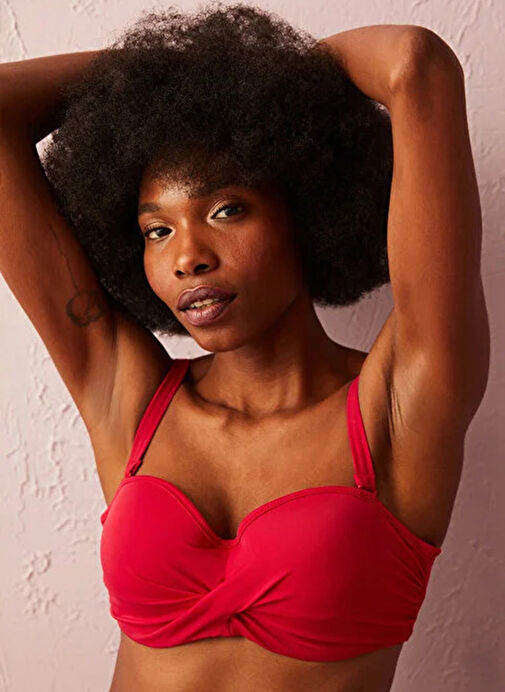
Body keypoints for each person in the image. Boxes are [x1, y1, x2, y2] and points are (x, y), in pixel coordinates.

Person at [0, 4, 489, 691]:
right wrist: (168, 74)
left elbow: (416, 64)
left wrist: (281, 83)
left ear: (306, 213)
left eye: (225, 210)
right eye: (157, 230)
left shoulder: (404, 403)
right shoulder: (129, 399)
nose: (187, 257)